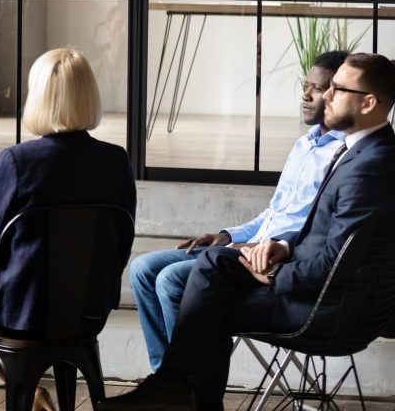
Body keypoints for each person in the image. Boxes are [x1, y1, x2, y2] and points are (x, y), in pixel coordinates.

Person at [100, 53, 395, 411]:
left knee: (199, 290)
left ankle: (180, 391)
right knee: (211, 264)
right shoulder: (362, 154)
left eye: (336, 89)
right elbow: (324, 236)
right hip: (303, 276)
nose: (326, 96)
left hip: (321, 309)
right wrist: (282, 249)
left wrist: (274, 271)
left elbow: (336, 264)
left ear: (368, 102)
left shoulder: (368, 167)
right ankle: (176, 387)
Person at [129, 50, 348, 372]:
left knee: (171, 279)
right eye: (306, 85)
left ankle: (184, 384)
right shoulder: (304, 145)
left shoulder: (344, 155)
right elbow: (274, 213)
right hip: (243, 246)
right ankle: (167, 379)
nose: (305, 95)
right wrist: (227, 234)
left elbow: (315, 232)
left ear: (335, 95)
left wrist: (261, 247)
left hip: (269, 261)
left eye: (316, 88)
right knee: (143, 268)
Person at [0, 49, 137, 410]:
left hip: (21, 313)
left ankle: (27, 389)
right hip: (89, 314)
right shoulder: (116, 161)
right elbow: (121, 246)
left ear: (37, 96)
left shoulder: (16, 162)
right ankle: (38, 394)